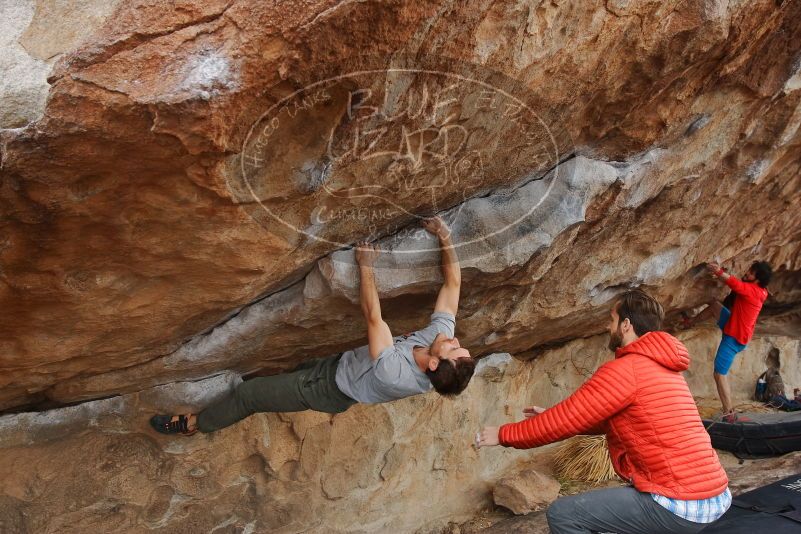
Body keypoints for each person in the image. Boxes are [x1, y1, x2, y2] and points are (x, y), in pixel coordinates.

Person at [150, 216, 476, 436]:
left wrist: (366, 267)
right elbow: (452, 286)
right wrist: (444, 236)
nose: (454, 339)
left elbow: (373, 317)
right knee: (285, 372)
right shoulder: (439, 340)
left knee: (249, 395)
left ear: (434, 363)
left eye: (453, 348)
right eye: (459, 345)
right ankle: (230, 403)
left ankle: (195, 424)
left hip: (327, 389)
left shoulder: (398, 374)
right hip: (338, 364)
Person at [477, 290, 730, 534]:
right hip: (714, 495)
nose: (608, 327)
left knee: (563, 514)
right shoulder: (666, 369)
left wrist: (503, 434)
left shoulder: (626, 370)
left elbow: (565, 421)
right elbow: (610, 419)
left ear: (626, 325)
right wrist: (549, 414)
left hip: (681, 503)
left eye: (612, 320)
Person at [685, 261, 772, 421]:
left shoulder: (753, 291)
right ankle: (689, 322)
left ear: (757, 280)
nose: (747, 273)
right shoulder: (761, 290)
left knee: (719, 373)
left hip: (735, 337)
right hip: (733, 324)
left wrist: (718, 271)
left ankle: (729, 412)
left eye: (751, 273)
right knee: (714, 305)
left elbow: (736, 285)